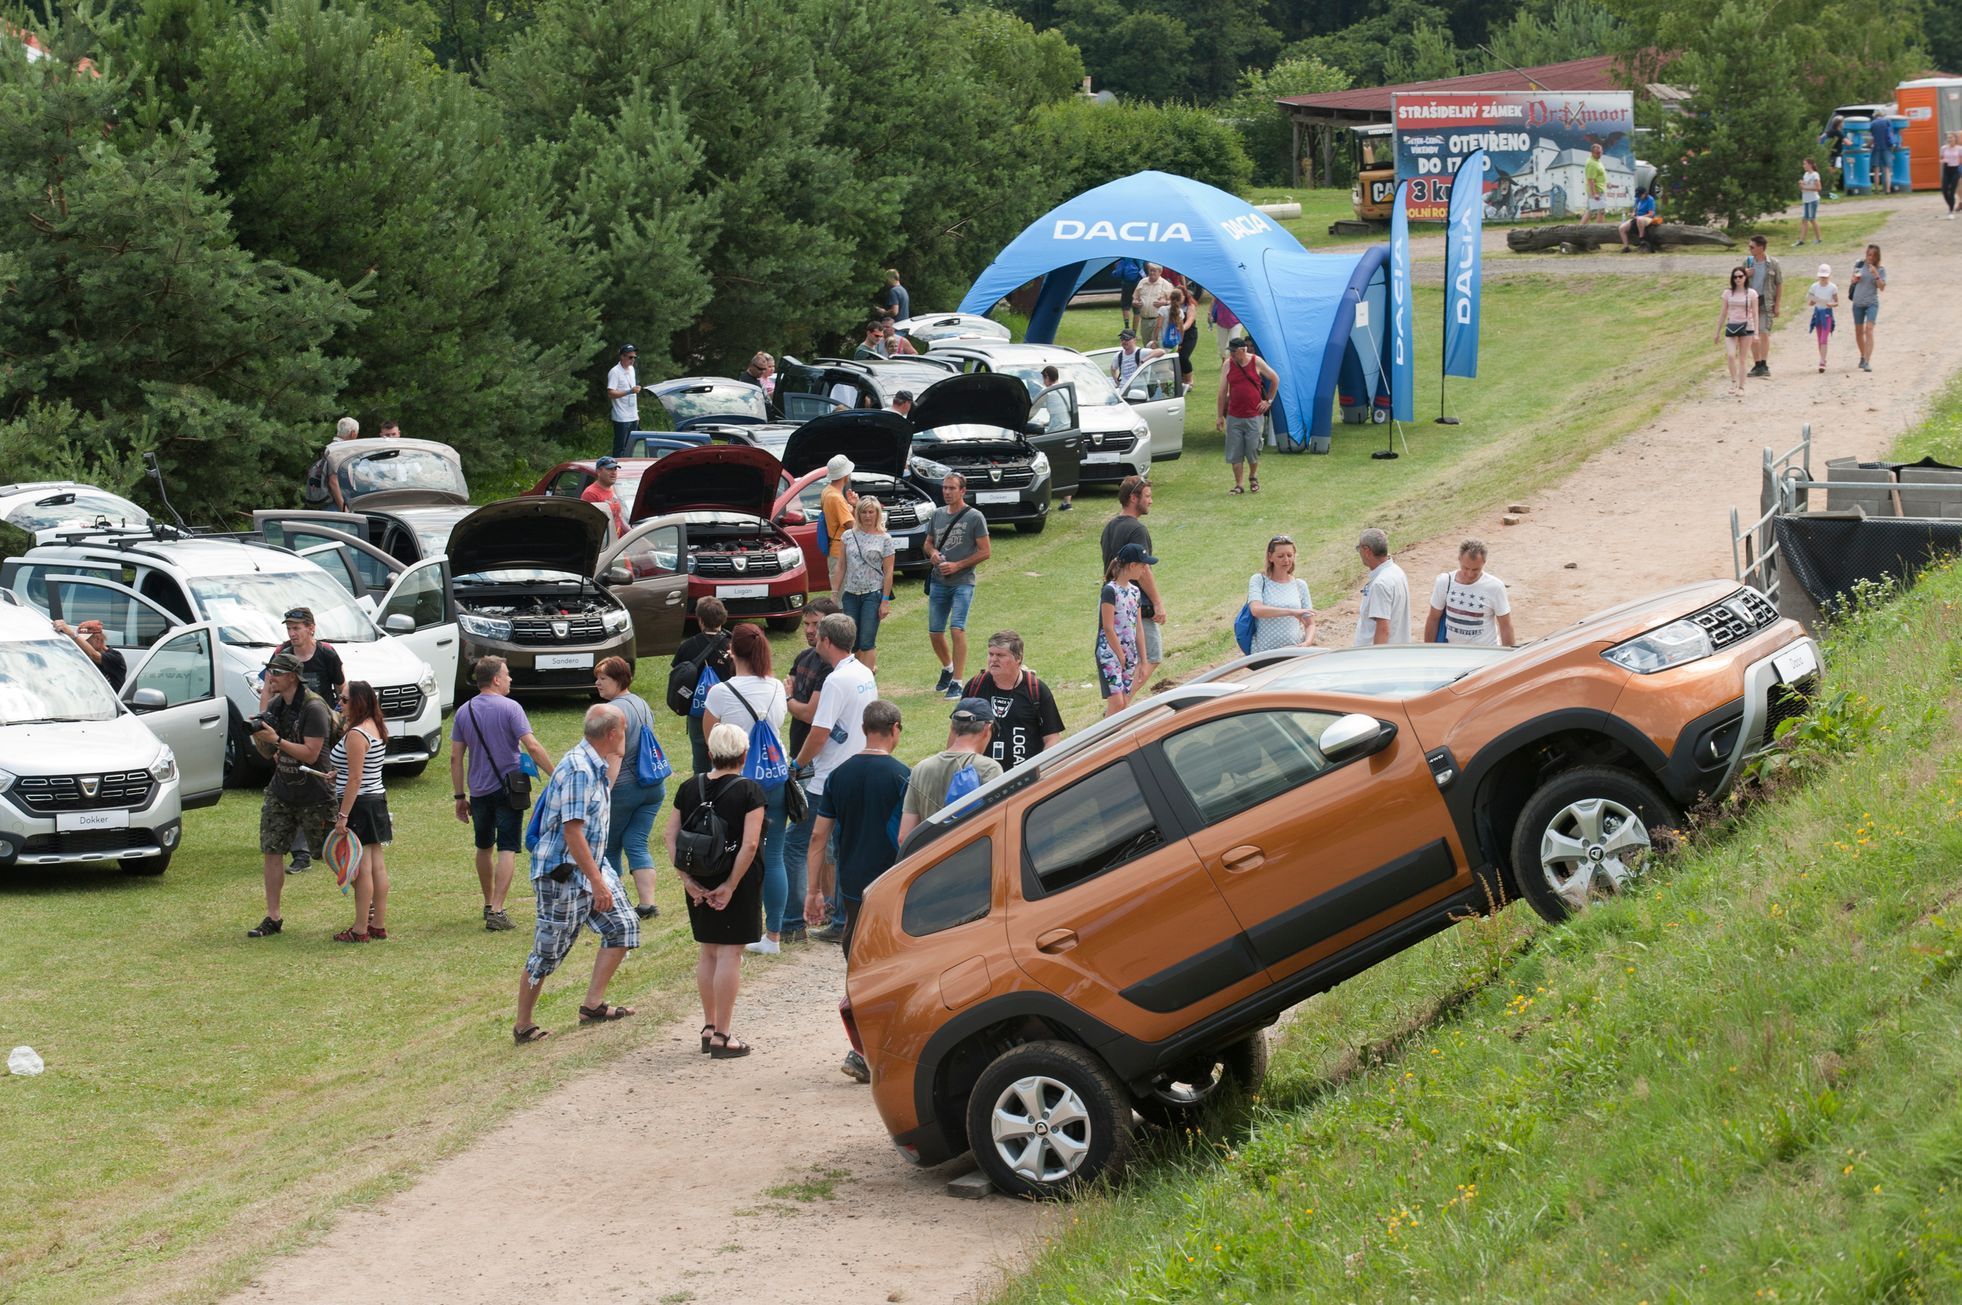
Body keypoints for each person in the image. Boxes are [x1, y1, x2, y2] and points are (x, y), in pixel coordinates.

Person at [513, 704, 640, 1045]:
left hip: (592, 867)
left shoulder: (596, 763)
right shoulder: (579, 769)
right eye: (623, 730)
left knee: (623, 926)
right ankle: (523, 1026)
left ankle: (592, 1006)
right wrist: (597, 882)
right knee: (548, 951)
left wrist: (599, 876)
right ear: (611, 734)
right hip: (563, 874)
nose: (625, 736)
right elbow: (573, 833)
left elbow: (607, 788)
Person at [806, 698, 908, 1082]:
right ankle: (878, 1050)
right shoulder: (903, 776)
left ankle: (862, 1047)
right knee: (893, 967)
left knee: (859, 966)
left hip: (852, 888)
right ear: (894, 728)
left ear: (865, 728)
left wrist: (813, 890)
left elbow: (819, 836)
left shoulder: (839, 776)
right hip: (891, 887)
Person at [665, 721, 766, 1058]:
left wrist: (688, 881)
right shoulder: (749, 791)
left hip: (699, 877)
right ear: (744, 754)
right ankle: (724, 1033)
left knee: (708, 951)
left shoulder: (688, 787)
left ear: (710, 753)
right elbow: (750, 845)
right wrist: (731, 886)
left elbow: (671, 837)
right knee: (729, 954)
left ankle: (709, 1027)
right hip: (735, 879)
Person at [700, 624, 791, 954]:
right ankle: (775, 935)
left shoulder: (721, 692)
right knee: (776, 856)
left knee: (737, 854)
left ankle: (739, 928)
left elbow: (711, 740)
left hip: (737, 783)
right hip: (775, 776)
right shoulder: (777, 687)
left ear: (732, 652)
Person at [450, 656, 554, 932]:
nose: (510, 679)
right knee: (508, 847)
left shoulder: (464, 711)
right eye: (507, 675)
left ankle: (487, 903)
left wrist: (460, 797)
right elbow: (531, 746)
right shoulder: (511, 708)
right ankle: (497, 909)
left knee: (484, 846)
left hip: (479, 790)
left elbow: (455, 757)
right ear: (496, 679)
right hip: (509, 789)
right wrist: (556, 774)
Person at [790, 612, 876, 944]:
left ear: (826, 641)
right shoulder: (863, 672)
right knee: (843, 848)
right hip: (854, 767)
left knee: (798, 845)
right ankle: (842, 917)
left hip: (827, 777)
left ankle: (794, 918)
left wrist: (797, 764)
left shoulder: (836, 680)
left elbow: (819, 733)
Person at [245, 652, 336, 938]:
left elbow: (310, 754)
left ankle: (366, 908)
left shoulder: (314, 707)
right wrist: (261, 737)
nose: (271, 677)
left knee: (335, 853)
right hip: (282, 790)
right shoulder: (275, 704)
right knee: (271, 850)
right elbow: (269, 753)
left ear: (294, 677)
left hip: (316, 793)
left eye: (277, 672)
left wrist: (277, 740)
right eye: (270, 671)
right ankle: (273, 917)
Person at [259, 606, 344, 873]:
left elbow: (342, 691)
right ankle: (300, 853)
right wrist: (264, 726)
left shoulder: (326, 654)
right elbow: (267, 690)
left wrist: (340, 725)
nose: (292, 633)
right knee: (289, 782)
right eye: (289, 628)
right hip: (287, 730)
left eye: (297, 628)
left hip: (320, 730)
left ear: (311, 628)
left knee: (318, 783)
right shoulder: (280, 653)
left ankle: (335, 837)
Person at [780, 596, 842, 943]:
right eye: (805, 625)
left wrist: (791, 701)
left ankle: (809, 914)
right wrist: (794, 702)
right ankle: (826, 904)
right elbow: (790, 695)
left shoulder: (831, 669)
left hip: (815, 762)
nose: (808, 631)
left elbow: (809, 714)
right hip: (800, 757)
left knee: (816, 840)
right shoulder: (805, 658)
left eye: (815, 625)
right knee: (817, 839)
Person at [593, 655, 667, 920]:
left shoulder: (613, 711)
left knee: (610, 846)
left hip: (624, 788)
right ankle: (647, 904)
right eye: (597, 679)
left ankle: (615, 905)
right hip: (653, 786)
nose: (598, 684)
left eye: (603, 679)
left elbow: (615, 754)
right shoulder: (641, 703)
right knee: (637, 842)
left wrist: (605, 791)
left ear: (619, 679)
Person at [328, 681, 393, 943]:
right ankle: (377, 924)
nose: (339, 704)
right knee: (376, 864)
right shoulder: (375, 726)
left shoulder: (356, 734)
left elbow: (355, 779)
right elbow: (360, 772)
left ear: (358, 702)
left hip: (360, 804)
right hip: (375, 800)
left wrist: (343, 816)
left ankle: (360, 929)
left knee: (363, 869)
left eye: (344, 700)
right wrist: (339, 774)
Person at [896, 698, 1003, 845]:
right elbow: (998, 828)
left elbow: (904, 837)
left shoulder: (921, 768)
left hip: (931, 863)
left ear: (952, 728)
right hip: (975, 864)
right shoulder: (989, 769)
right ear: (987, 729)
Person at [959, 631, 1064, 771]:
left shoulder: (1037, 690)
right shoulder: (975, 686)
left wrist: (1041, 770)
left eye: (1000, 655)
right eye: (991, 654)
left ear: (1018, 658)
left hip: (1024, 778)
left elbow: (1052, 739)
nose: (993, 660)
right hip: (981, 778)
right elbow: (957, 732)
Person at [924, 473, 989, 698]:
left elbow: (985, 551)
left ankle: (958, 682)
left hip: (963, 582)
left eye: (952, 488)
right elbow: (928, 542)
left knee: (957, 628)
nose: (947, 492)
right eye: (944, 488)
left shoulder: (975, 517)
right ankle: (948, 668)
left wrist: (957, 565)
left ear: (963, 490)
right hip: (938, 581)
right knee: (935, 631)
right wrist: (932, 553)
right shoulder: (937, 515)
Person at [1100, 477, 1164, 690]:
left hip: (1113, 602)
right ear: (1133, 498)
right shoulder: (1137, 529)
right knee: (1150, 656)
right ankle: (1121, 708)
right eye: (1147, 496)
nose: (1151, 501)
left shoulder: (1110, 527)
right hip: (1136, 604)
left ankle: (1118, 706)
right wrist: (1157, 603)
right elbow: (1143, 571)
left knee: (1128, 658)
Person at [832, 495, 895, 672]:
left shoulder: (885, 539)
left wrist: (885, 601)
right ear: (857, 514)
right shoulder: (848, 536)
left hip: (872, 593)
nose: (867, 516)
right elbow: (841, 565)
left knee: (867, 640)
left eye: (871, 512)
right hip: (851, 593)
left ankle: (867, 679)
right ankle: (856, 673)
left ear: (877, 514)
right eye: (863, 512)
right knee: (851, 640)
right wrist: (835, 593)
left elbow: (889, 571)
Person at [672, 597, 734, 775]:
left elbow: (677, 675)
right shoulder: (732, 644)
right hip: (728, 710)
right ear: (723, 618)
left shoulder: (688, 646)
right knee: (728, 756)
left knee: (700, 761)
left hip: (698, 712)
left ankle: (703, 796)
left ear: (700, 620)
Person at [1095, 542, 1152, 716]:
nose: (1145, 570)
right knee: (1117, 702)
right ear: (1132, 565)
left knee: (1123, 704)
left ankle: (1113, 736)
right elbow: (1108, 626)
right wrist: (1120, 654)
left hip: (1129, 654)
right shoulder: (1109, 591)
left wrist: (1143, 660)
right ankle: (1107, 739)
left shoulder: (1135, 591)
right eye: (1143, 565)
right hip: (1110, 653)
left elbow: (1139, 628)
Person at [1423, 540, 1514, 646]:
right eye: (1465, 568)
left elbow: (1505, 625)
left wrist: (1510, 657)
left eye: (1476, 569)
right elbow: (1433, 618)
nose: (1470, 574)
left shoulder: (1495, 587)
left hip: (1485, 653)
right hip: (1452, 652)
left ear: (1484, 562)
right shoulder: (1444, 582)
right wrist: (1428, 650)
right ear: (1459, 559)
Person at [1217, 337, 1277, 495]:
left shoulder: (1256, 362)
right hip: (1234, 415)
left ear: (1243, 351)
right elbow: (1222, 391)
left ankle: (1253, 476)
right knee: (1235, 452)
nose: (1232, 356)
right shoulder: (1228, 364)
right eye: (1230, 352)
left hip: (1253, 415)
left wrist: (1268, 401)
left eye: (1234, 352)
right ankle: (1239, 484)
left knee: (1252, 450)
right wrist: (1219, 416)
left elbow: (1275, 378)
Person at [1245, 535, 1315, 652]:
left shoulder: (1300, 585)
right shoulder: (1259, 580)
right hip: (1264, 653)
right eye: (1280, 556)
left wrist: (1307, 643)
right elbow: (1256, 610)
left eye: (1289, 555)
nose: (1286, 560)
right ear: (1270, 557)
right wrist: (1292, 612)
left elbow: (1310, 624)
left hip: (1294, 652)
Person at [1354, 528, 1411, 647]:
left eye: (1359, 549)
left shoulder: (1380, 584)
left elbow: (1383, 629)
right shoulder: (1397, 572)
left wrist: (1377, 660)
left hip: (1375, 657)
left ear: (1366, 550)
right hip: (1397, 651)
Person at [1715, 265, 1760, 396]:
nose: (1738, 279)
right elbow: (1723, 313)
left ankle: (1741, 387)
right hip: (1732, 326)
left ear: (1745, 278)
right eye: (1735, 277)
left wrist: (1756, 332)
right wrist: (1717, 332)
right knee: (1730, 355)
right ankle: (1734, 381)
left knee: (1742, 358)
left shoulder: (1751, 293)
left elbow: (1756, 313)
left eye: (1740, 276)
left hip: (1747, 327)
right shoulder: (1728, 293)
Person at [1034, 365, 1074, 513]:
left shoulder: (1048, 392)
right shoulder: (1065, 389)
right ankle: (1066, 502)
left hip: (1055, 433)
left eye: (1043, 378)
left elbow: (1034, 410)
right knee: (1066, 467)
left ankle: (1045, 501)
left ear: (1047, 377)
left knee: (1046, 469)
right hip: (1068, 431)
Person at [1745, 236, 1783, 379]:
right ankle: (1757, 363)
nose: (1750, 249)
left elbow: (1779, 284)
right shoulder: (1748, 262)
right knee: (1752, 334)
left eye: (1752, 247)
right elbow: (1737, 282)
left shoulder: (1773, 264)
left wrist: (1777, 304)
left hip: (1766, 302)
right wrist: (1745, 274)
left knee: (1764, 332)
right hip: (1750, 303)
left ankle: (1764, 364)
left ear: (1761, 247)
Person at [51, 618, 125, 690]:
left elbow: (94, 655)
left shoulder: (115, 657)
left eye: (86, 641)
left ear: (98, 639)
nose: (81, 645)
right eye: (81, 641)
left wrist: (72, 634)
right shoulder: (83, 657)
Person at [305, 416, 359, 510]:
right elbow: (333, 481)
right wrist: (343, 508)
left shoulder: (331, 448)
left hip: (330, 501)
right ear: (353, 434)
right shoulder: (339, 450)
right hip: (335, 503)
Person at [1849, 243, 1885, 373]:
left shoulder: (1880, 269)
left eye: (1873, 255)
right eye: (1868, 254)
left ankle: (1867, 361)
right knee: (1858, 332)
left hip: (1871, 303)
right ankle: (1863, 356)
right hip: (1857, 303)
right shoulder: (1859, 264)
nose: (1870, 257)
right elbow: (1853, 279)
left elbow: (1881, 287)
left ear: (1877, 257)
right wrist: (1854, 280)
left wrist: (1876, 274)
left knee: (1868, 330)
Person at [820, 454, 857, 576]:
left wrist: (854, 506)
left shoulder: (827, 491)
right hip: (841, 551)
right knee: (843, 593)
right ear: (845, 475)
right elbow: (851, 525)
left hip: (835, 549)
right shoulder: (836, 498)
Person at [605, 344, 642, 459]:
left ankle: (628, 471)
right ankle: (616, 471)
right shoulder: (615, 372)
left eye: (634, 357)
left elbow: (633, 392)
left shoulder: (631, 370)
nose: (633, 360)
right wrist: (629, 391)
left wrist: (636, 413)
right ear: (622, 357)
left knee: (631, 447)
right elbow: (610, 393)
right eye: (630, 357)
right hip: (621, 417)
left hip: (633, 415)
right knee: (620, 448)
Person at [581, 455, 631, 536]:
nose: (614, 472)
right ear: (599, 471)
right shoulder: (591, 493)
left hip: (617, 543)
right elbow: (592, 526)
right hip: (604, 545)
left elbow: (618, 518)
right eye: (609, 469)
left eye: (615, 469)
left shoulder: (612, 489)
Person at [1805, 263, 1839, 372]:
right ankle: (1823, 358)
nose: (1823, 278)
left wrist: (1831, 304)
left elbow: (1836, 302)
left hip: (1827, 314)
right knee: (1820, 339)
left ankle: (1822, 362)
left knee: (1824, 338)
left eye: (1825, 276)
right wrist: (1813, 300)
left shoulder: (1832, 287)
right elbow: (1810, 302)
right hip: (1818, 313)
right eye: (1822, 276)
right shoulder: (1814, 287)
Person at [1132, 263, 1176, 339]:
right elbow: (1135, 298)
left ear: (1160, 272)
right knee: (1146, 346)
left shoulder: (1166, 285)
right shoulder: (1142, 282)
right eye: (1150, 270)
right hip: (1144, 321)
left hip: (1158, 321)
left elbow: (1174, 303)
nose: (1152, 273)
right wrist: (1135, 302)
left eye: (1154, 271)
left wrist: (1165, 303)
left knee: (1155, 345)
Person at [1169, 287, 1200, 387]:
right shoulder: (1172, 307)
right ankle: (1180, 378)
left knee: (1183, 356)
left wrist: (1181, 328)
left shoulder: (1190, 306)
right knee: (1175, 357)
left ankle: (1189, 380)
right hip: (1175, 335)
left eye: (1180, 296)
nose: (1178, 299)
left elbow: (1189, 321)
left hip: (1189, 335)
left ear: (1184, 296)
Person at [1796, 159, 1824, 245]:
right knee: (1804, 220)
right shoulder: (1806, 175)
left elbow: (1819, 188)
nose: (1803, 166)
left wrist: (1805, 188)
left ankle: (1819, 239)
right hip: (1806, 200)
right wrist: (1801, 184)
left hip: (1813, 200)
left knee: (1812, 219)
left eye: (1805, 164)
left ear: (1810, 165)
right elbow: (1806, 185)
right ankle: (1801, 241)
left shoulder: (1815, 175)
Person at [1114, 256, 1144, 334]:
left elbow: (1117, 273)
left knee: (1125, 306)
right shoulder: (1139, 258)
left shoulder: (1124, 258)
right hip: (1137, 284)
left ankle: (1127, 327)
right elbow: (1143, 271)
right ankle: (1134, 331)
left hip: (1126, 284)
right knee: (1137, 309)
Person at [1209, 296, 1241, 369]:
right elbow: (1213, 301)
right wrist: (1209, 313)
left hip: (1236, 321)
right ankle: (1224, 361)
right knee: (1222, 344)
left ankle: (1234, 363)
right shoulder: (1219, 290)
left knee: (1235, 342)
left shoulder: (1236, 292)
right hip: (1221, 321)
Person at [1869, 114, 1896, 195]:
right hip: (1886, 148)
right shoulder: (1887, 121)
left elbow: (1872, 136)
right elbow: (1890, 134)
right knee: (1887, 169)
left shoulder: (1872, 123)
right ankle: (1887, 189)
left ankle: (1877, 189)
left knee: (1876, 170)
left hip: (1876, 148)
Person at [1582, 143, 1607, 223]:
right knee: (1593, 210)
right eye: (1597, 153)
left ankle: (1599, 228)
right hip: (1596, 190)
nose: (1600, 154)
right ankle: (1579, 229)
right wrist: (1594, 194)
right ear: (1592, 153)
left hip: (1600, 188)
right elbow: (1590, 180)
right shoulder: (1591, 163)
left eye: (1601, 152)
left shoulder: (1597, 160)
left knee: (1598, 210)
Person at [1943, 132, 1962, 218]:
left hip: (1956, 168)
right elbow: (1941, 158)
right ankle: (1954, 203)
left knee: (1955, 188)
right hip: (1948, 169)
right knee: (1947, 190)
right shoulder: (1944, 148)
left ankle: (1953, 208)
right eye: (1948, 138)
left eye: (1951, 137)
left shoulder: (1959, 148)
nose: (1950, 139)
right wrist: (1943, 161)